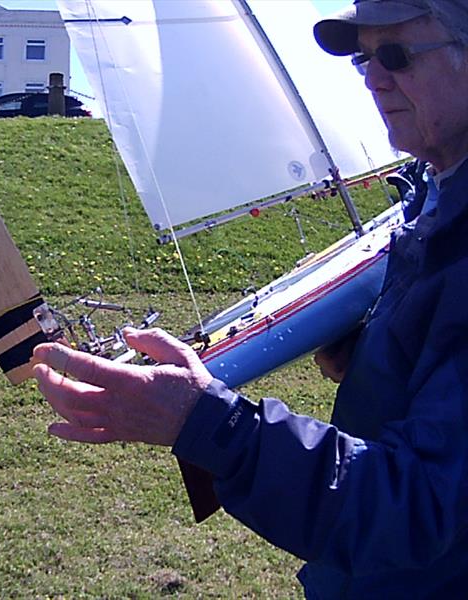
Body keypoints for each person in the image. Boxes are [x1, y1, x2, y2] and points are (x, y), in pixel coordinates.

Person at [32, 0, 468, 596]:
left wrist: (209, 423)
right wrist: (374, 358)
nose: (372, 77)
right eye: (366, 57)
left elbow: (425, 507)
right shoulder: (437, 197)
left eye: (396, 54)